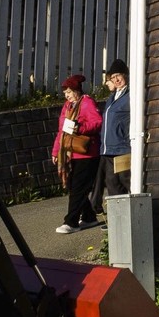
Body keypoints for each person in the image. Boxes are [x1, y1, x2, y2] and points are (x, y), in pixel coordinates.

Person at [51, 74, 102, 234]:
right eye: (65, 93)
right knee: (75, 187)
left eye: (69, 92)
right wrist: (55, 151)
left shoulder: (87, 102)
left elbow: (97, 122)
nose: (66, 96)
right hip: (70, 152)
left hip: (87, 154)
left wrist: (79, 128)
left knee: (78, 188)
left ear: (76, 91)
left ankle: (71, 221)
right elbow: (62, 130)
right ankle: (88, 216)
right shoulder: (67, 106)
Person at [90, 59, 131, 217]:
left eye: (118, 75)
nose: (116, 80)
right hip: (108, 150)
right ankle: (117, 220)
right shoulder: (112, 97)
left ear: (125, 75)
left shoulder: (130, 95)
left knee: (126, 183)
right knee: (112, 186)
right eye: (112, 77)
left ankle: (131, 217)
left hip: (122, 148)